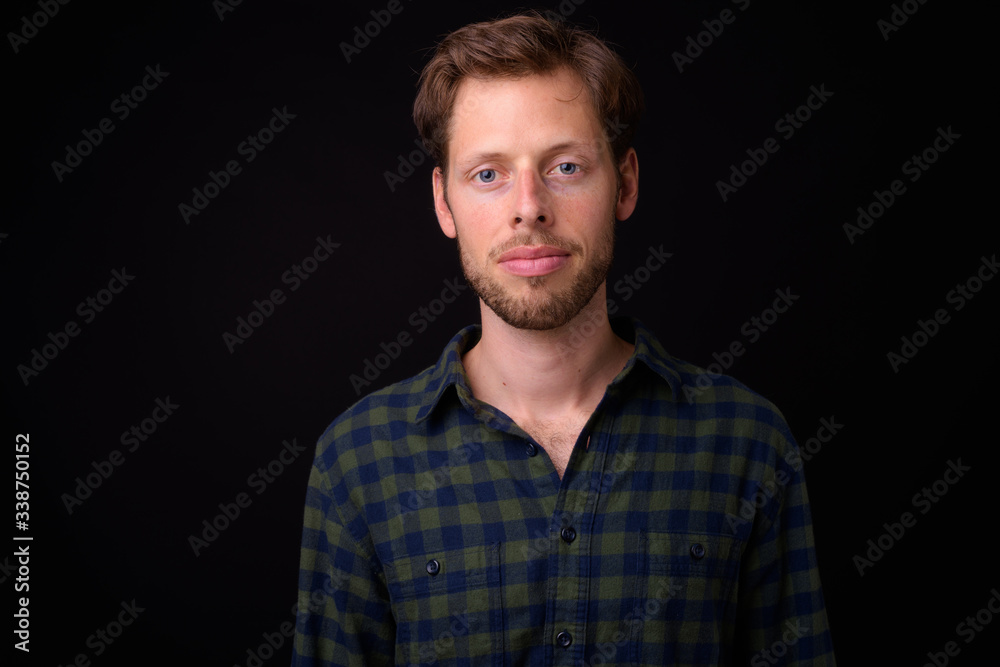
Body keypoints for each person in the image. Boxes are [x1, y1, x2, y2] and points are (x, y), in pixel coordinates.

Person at [293, 11, 835, 666]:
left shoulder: (747, 444)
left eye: (567, 166)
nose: (529, 206)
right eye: (488, 173)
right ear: (444, 202)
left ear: (625, 182)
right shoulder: (357, 462)